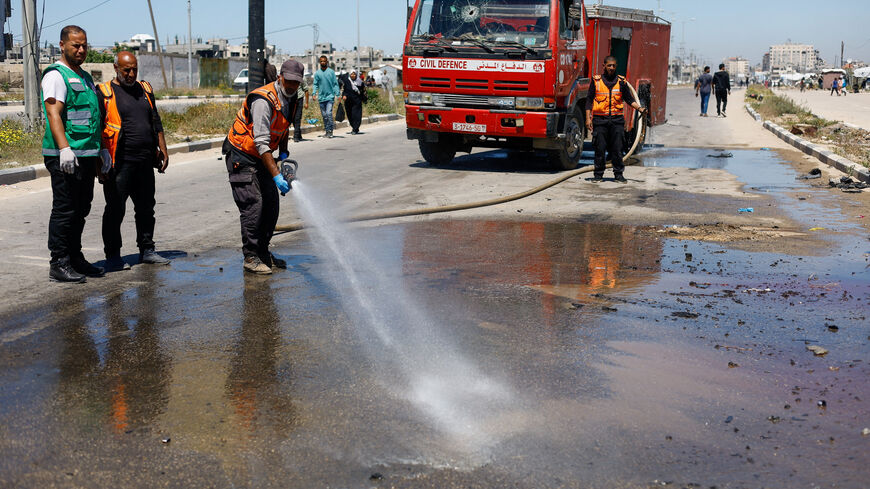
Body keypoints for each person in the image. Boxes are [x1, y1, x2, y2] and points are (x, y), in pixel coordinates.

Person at [41, 25, 109, 283]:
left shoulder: (85, 77)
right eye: (75, 45)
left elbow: (93, 117)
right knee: (65, 209)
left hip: (87, 154)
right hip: (65, 155)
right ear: (62, 45)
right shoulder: (56, 76)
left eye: (84, 45)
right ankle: (58, 262)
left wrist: (101, 148)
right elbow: (53, 114)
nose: (81, 50)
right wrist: (64, 149)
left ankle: (75, 257)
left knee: (81, 208)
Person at [223, 59, 303, 274]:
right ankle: (250, 256)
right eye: (289, 81)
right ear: (280, 77)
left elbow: (283, 127)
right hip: (242, 154)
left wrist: (284, 154)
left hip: (261, 156)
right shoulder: (263, 100)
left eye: (296, 83)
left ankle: (263, 253)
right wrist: (276, 175)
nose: (292, 86)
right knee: (254, 205)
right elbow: (261, 142)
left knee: (271, 205)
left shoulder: (292, 98)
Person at [96, 51, 171, 272]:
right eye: (126, 70)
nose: (131, 74)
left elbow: (155, 119)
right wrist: (100, 162)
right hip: (120, 163)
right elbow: (98, 128)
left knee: (147, 208)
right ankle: (113, 256)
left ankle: (147, 249)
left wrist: (162, 148)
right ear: (116, 68)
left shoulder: (145, 89)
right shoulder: (104, 93)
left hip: (145, 161)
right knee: (115, 210)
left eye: (134, 70)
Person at [584, 55, 646, 184]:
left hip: (617, 121)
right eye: (609, 65)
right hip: (600, 121)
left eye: (613, 66)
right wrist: (588, 119)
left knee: (617, 149)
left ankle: (618, 174)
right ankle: (598, 175)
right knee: (600, 148)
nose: (611, 68)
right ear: (604, 66)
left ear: (616, 67)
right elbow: (589, 101)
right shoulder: (596, 81)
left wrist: (640, 109)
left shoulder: (622, 82)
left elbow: (629, 100)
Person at [312, 55, 340, 138]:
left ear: (327, 62)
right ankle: (327, 130)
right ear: (319, 62)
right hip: (321, 97)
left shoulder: (331, 72)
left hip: (330, 96)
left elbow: (335, 84)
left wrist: (338, 94)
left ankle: (331, 130)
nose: (323, 62)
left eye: (324, 61)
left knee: (328, 113)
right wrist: (314, 93)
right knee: (324, 116)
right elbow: (315, 84)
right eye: (321, 61)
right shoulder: (317, 73)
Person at [340, 70, 367, 134]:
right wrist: (343, 95)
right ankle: (354, 127)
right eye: (351, 74)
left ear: (356, 75)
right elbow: (344, 90)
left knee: (356, 115)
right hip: (348, 101)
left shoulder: (360, 82)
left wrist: (364, 99)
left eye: (354, 74)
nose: (353, 75)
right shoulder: (346, 81)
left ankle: (355, 128)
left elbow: (363, 91)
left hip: (357, 101)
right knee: (350, 115)